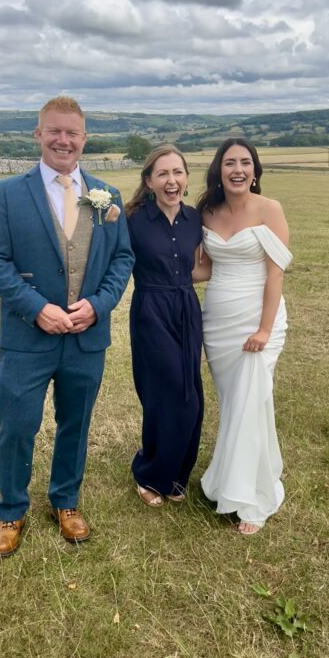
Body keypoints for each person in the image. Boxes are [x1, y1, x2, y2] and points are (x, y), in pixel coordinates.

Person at [0, 95, 134, 558]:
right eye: (54, 131)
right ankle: (11, 509)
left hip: (87, 339)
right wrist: (36, 308)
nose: (63, 140)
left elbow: (122, 258)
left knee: (76, 423)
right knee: (17, 425)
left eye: (72, 132)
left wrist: (100, 305)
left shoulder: (107, 196)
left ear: (84, 139)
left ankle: (65, 501)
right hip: (28, 338)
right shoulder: (9, 192)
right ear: (38, 134)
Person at [195, 138, 292, 536]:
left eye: (245, 162)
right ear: (219, 168)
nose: (238, 169)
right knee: (233, 402)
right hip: (218, 320)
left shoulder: (270, 210)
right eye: (230, 162)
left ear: (255, 170)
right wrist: (157, 277)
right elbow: (203, 271)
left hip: (258, 318)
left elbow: (276, 273)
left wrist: (265, 329)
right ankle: (229, 478)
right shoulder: (207, 212)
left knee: (252, 400)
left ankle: (253, 495)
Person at [125, 146, 204, 507]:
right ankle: (148, 471)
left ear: (186, 178)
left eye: (178, 172)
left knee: (191, 394)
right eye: (163, 174)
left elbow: (201, 267)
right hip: (151, 310)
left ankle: (175, 475)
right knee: (164, 393)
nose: (171, 180)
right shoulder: (133, 220)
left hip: (187, 308)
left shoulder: (195, 220)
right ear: (149, 181)